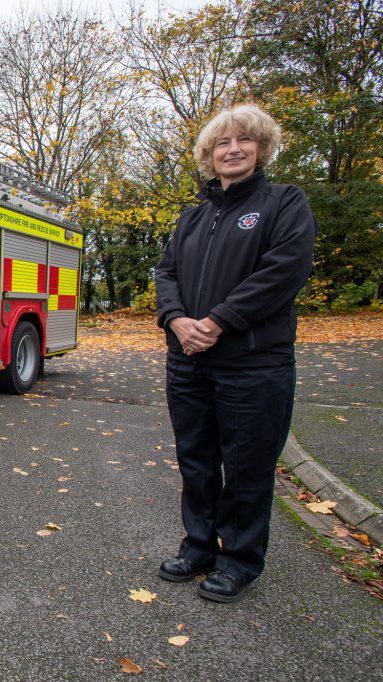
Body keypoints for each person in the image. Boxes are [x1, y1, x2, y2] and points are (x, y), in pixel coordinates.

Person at [154, 104, 315, 602]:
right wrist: (177, 319)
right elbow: (166, 274)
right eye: (222, 143)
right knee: (196, 461)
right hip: (189, 361)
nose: (233, 149)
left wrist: (219, 320)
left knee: (246, 466)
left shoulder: (284, 204)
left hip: (253, 363)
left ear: (261, 148)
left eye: (244, 140)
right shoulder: (193, 218)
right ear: (209, 154)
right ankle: (198, 546)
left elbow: (284, 270)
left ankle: (240, 560)